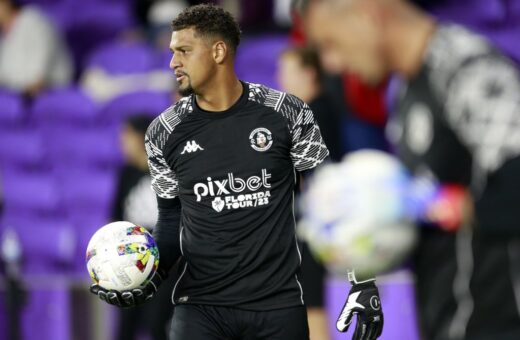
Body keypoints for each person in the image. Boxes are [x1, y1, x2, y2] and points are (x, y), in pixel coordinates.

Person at [91, 4, 383, 340]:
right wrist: (148, 277)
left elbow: (330, 198)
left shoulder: (287, 113)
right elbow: (170, 226)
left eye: (184, 51)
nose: (173, 63)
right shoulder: (163, 132)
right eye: (172, 53)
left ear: (218, 52)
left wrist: (361, 280)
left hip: (276, 308)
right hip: (200, 311)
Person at [301, 0, 520, 339]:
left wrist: (432, 204)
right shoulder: (403, 90)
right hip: (447, 321)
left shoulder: (467, 68)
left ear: (367, 13)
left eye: (331, 43)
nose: (333, 63)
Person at [112, 114, 175, 340]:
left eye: (126, 137)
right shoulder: (126, 174)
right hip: (132, 258)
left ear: (141, 138)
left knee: (158, 323)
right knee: (126, 323)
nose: (122, 143)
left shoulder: (167, 172)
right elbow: (116, 216)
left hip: (164, 262)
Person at [0, 0, 72, 96]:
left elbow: (38, 79)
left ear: (6, 2)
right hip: (16, 91)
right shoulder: (4, 33)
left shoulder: (34, 21)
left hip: (50, 89)